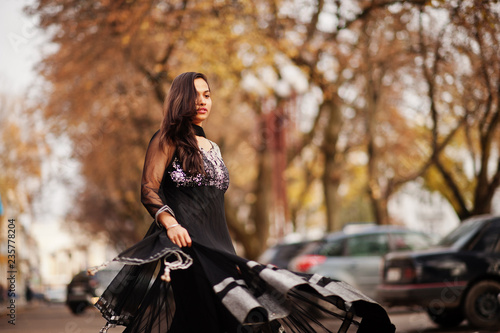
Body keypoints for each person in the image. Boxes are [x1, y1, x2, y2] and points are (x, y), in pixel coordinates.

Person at [93, 72, 395, 333]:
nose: (203, 101)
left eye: (207, 95)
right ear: (179, 100)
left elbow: (214, 207)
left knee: (217, 321)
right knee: (209, 321)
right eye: (195, 95)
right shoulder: (166, 139)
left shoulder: (213, 146)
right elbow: (149, 189)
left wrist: (229, 256)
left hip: (220, 251)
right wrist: (170, 223)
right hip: (188, 250)